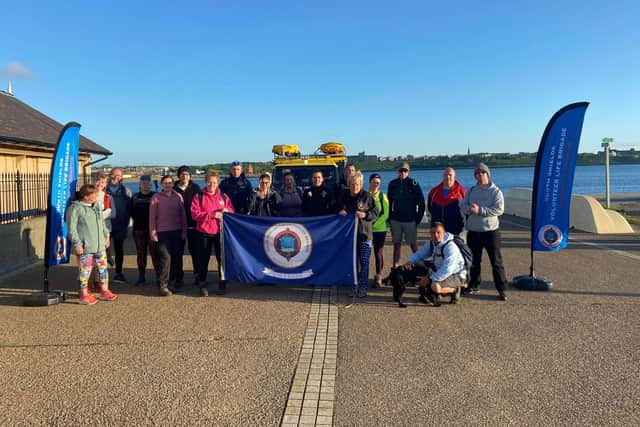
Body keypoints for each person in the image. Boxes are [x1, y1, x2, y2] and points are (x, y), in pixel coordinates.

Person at [459, 162, 508, 301]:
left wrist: (480, 210)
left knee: (496, 262)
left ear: (487, 174)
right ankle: (474, 285)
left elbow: (499, 209)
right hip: (474, 231)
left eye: (482, 173)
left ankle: (502, 288)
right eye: (477, 173)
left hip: (490, 231)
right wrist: (469, 209)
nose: (479, 175)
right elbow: (463, 204)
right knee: (474, 261)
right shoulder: (472, 190)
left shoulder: (495, 191)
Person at [68, 184, 117, 305]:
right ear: (85, 196)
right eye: (94, 194)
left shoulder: (96, 207)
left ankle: (104, 290)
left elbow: (101, 222)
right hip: (86, 247)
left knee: (103, 269)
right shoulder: (75, 208)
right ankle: (83, 293)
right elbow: (71, 229)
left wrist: (106, 234)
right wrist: (77, 244)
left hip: (100, 246)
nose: (96, 195)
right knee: (85, 271)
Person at [191, 171, 235, 296]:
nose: (212, 184)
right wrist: (211, 215)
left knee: (221, 259)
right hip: (204, 233)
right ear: (205, 182)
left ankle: (222, 282)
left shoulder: (223, 197)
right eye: (210, 182)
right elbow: (195, 214)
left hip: (219, 232)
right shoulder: (199, 196)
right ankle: (202, 283)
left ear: (218, 183)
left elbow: (232, 211)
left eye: (214, 182)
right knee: (202, 260)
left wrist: (227, 211)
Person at [403, 222, 466, 306]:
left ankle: (455, 290)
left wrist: (430, 279)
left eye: (438, 232)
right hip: (440, 271)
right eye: (433, 232)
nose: (436, 235)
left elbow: (447, 269)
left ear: (444, 232)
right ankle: (431, 293)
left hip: (456, 275)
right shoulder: (432, 243)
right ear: (430, 233)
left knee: (435, 286)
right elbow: (420, 254)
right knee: (415, 267)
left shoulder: (450, 247)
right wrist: (410, 261)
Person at [337, 171, 378, 298]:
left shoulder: (366, 196)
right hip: (350, 237)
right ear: (349, 184)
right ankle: (354, 286)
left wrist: (365, 215)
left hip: (364, 235)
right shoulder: (344, 196)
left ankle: (363, 287)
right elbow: (336, 207)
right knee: (353, 263)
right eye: (352, 184)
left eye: (357, 184)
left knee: (364, 262)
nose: (354, 187)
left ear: (361, 184)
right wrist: (341, 210)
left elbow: (375, 212)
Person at [150, 175, 187, 296]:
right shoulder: (156, 197)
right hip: (162, 232)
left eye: (170, 183)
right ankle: (163, 285)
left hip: (177, 231)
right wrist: (153, 232)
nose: (168, 185)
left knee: (176, 258)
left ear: (173, 184)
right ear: (161, 185)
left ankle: (174, 282)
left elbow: (183, 215)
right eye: (165, 183)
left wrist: (184, 231)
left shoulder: (178, 196)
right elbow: (152, 217)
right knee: (166, 258)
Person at [387, 162, 425, 267]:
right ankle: (395, 267)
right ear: (397, 171)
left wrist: (417, 219)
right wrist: (389, 218)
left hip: (410, 220)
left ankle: (420, 267)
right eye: (400, 170)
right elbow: (389, 203)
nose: (403, 172)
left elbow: (421, 203)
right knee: (396, 245)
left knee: (413, 245)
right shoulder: (392, 184)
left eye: (405, 170)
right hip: (396, 220)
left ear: (409, 171)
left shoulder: (414, 183)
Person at [173, 165, 201, 286]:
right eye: (182, 174)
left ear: (190, 176)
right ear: (178, 176)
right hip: (177, 225)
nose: (185, 176)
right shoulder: (173, 189)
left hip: (193, 225)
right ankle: (179, 277)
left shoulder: (196, 188)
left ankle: (198, 275)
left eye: (187, 174)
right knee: (177, 252)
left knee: (195, 251)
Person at [131, 175, 158, 286]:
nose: (146, 186)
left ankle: (159, 276)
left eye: (148, 184)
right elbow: (131, 212)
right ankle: (141, 276)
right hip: (139, 230)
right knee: (141, 254)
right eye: (144, 184)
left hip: (153, 230)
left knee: (155, 254)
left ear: (151, 185)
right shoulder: (135, 197)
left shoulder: (155, 196)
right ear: (140, 185)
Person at [107, 167, 132, 284]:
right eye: (114, 175)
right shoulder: (104, 189)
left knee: (119, 249)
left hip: (120, 225)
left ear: (121, 177)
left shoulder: (126, 191)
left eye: (118, 176)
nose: (115, 178)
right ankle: (101, 274)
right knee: (102, 248)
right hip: (105, 224)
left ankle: (119, 273)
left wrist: (128, 222)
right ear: (110, 175)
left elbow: (130, 208)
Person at [90, 173, 115, 292]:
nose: (100, 184)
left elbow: (113, 213)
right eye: (98, 181)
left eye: (103, 182)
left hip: (105, 231)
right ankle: (95, 281)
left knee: (102, 259)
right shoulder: (89, 195)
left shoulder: (108, 197)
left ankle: (101, 282)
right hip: (91, 231)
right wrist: (103, 213)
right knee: (91, 260)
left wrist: (99, 215)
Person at [427, 167, 467, 236]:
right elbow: (430, 208)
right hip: (438, 232)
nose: (447, 177)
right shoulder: (434, 192)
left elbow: (467, 212)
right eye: (445, 175)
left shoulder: (462, 192)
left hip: (457, 231)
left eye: (450, 175)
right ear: (442, 177)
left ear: (455, 177)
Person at [368, 173, 389, 288]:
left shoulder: (382, 196)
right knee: (364, 253)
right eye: (374, 182)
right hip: (366, 230)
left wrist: (374, 224)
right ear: (370, 182)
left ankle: (378, 276)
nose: (375, 185)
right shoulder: (365, 195)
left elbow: (385, 215)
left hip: (379, 230)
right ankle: (362, 275)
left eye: (378, 183)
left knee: (378, 253)